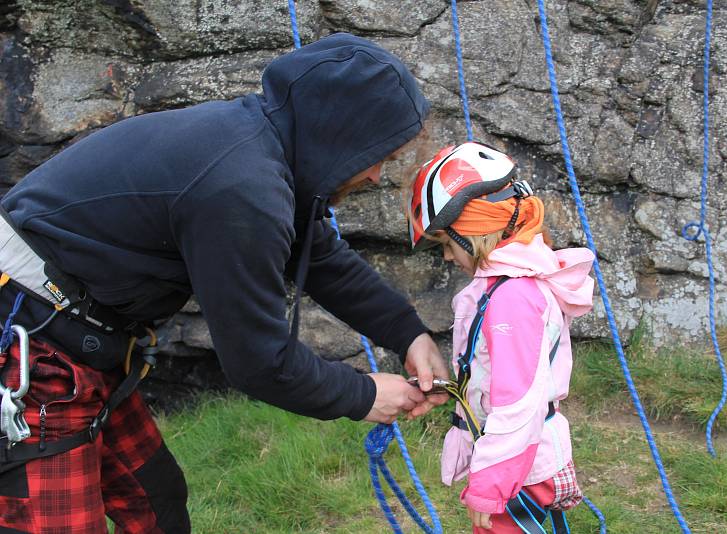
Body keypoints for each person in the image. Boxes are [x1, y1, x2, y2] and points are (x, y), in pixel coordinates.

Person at [0, 33, 449, 533]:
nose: (374, 174)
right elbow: (258, 362)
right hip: (29, 343)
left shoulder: (265, 150)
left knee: (156, 504)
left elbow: (322, 257)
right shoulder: (241, 187)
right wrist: (364, 395)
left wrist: (409, 333)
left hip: (84, 340)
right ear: (337, 133)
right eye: (375, 153)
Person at [407, 142, 595, 533]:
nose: (445, 258)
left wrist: (491, 484)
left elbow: (518, 403)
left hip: (519, 468)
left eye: (446, 245)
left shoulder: (512, 299)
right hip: (521, 460)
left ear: (472, 232)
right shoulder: (509, 285)